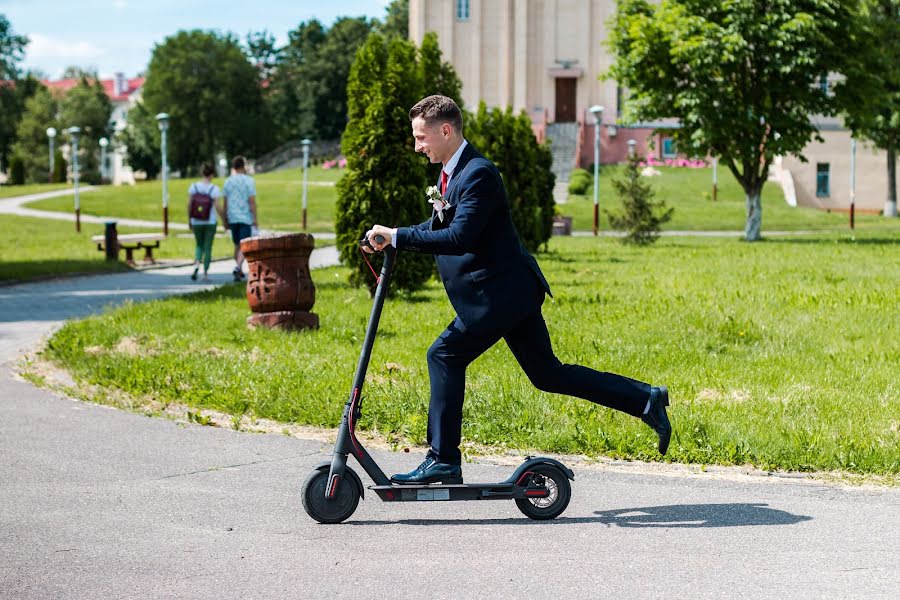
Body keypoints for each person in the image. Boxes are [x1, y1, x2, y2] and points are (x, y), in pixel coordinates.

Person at [364, 95, 672, 485]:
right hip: (510, 293)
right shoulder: (450, 175)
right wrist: (394, 237)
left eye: (421, 137)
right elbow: (437, 229)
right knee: (548, 374)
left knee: (443, 355)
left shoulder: (478, 173)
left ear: (446, 130)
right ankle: (645, 399)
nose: (417, 146)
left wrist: (398, 237)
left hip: (499, 296)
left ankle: (443, 459)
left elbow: (460, 237)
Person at [222, 155, 258, 282]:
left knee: (237, 244)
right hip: (245, 217)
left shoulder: (228, 182)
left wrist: (224, 218)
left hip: (232, 217)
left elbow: (225, 202)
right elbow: (252, 201)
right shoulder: (249, 181)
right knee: (244, 246)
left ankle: (239, 270)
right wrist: (255, 219)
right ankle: (237, 267)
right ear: (243, 166)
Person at [187, 163, 223, 282]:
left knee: (199, 245)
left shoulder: (194, 187)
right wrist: (224, 219)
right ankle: (205, 274)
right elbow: (217, 206)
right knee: (207, 247)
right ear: (212, 174)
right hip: (210, 221)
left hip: (196, 221)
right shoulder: (214, 189)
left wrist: (189, 220)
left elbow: (189, 204)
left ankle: (196, 265)